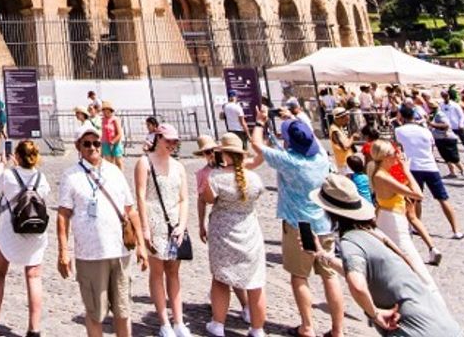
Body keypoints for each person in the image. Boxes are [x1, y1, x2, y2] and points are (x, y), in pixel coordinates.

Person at [309, 173, 462, 337]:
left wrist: (375, 314)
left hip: (415, 330)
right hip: (444, 324)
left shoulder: (350, 241)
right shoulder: (374, 233)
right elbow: (357, 270)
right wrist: (323, 256)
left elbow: (358, 284)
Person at [249, 109, 345, 337]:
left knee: (300, 276)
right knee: (330, 276)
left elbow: (256, 145)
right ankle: (338, 330)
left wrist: (260, 123)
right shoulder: (321, 156)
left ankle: (307, 327)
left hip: (299, 225)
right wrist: (292, 120)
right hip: (324, 222)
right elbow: (303, 138)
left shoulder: (290, 162)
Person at [57, 122, 146, 337]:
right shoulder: (70, 176)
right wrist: (63, 252)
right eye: (87, 144)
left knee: (123, 311)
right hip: (90, 254)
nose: (92, 147)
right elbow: (63, 215)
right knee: (95, 313)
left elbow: (131, 210)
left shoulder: (114, 171)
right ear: (79, 146)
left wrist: (141, 245)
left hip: (120, 251)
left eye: (96, 143)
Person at [0, 139, 50, 337]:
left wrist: (2, 163)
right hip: (35, 233)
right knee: (34, 276)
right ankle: (34, 328)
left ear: (16, 156)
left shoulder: (9, 175)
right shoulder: (41, 178)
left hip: (10, 232)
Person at [200, 133, 267, 337]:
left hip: (224, 232)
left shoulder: (216, 177)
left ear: (225, 155)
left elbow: (209, 199)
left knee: (221, 279)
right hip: (249, 229)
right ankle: (257, 329)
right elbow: (257, 194)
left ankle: (218, 324)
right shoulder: (254, 178)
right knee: (255, 283)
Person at [135, 121, 189, 337]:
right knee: (157, 273)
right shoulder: (144, 163)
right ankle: (164, 322)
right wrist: (144, 228)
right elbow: (140, 196)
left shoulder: (179, 166)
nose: (172, 145)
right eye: (169, 141)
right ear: (158, 139)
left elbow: (184, 198)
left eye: (175, 142)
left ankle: (179, 321)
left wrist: (183, 224)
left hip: (175, 223)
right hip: (155, 220)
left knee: (174, 273)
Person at [366, 140, 439, 288]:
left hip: (390, 217)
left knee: (397, 259)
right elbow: (418, 194)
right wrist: (406, 170)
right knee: (412, 259)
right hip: (392, 220)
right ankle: (430, 292)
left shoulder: (381, 172)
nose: (398, 156)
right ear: (386, 157)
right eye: (394, 153)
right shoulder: (382, 176)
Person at [393, 104, 463, 240]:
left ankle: (416, 226)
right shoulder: (426, 131)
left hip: (413, 167)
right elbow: (431, 148)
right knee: (443, 199)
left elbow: (396, 147)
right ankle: (456, 230)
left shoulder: (399, 131)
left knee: (415, 199)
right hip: (430, 166)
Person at [99, 101, 124, 170]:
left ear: (110, 110)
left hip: (115, 142)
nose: (104, 112)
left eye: (106, 110)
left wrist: (113, 142)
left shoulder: (115, 119)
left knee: (118, 161)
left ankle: (120, 176)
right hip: (105, 142)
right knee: (109, 163)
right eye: (103, 110)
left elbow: (119, 133)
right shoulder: (102, 120)